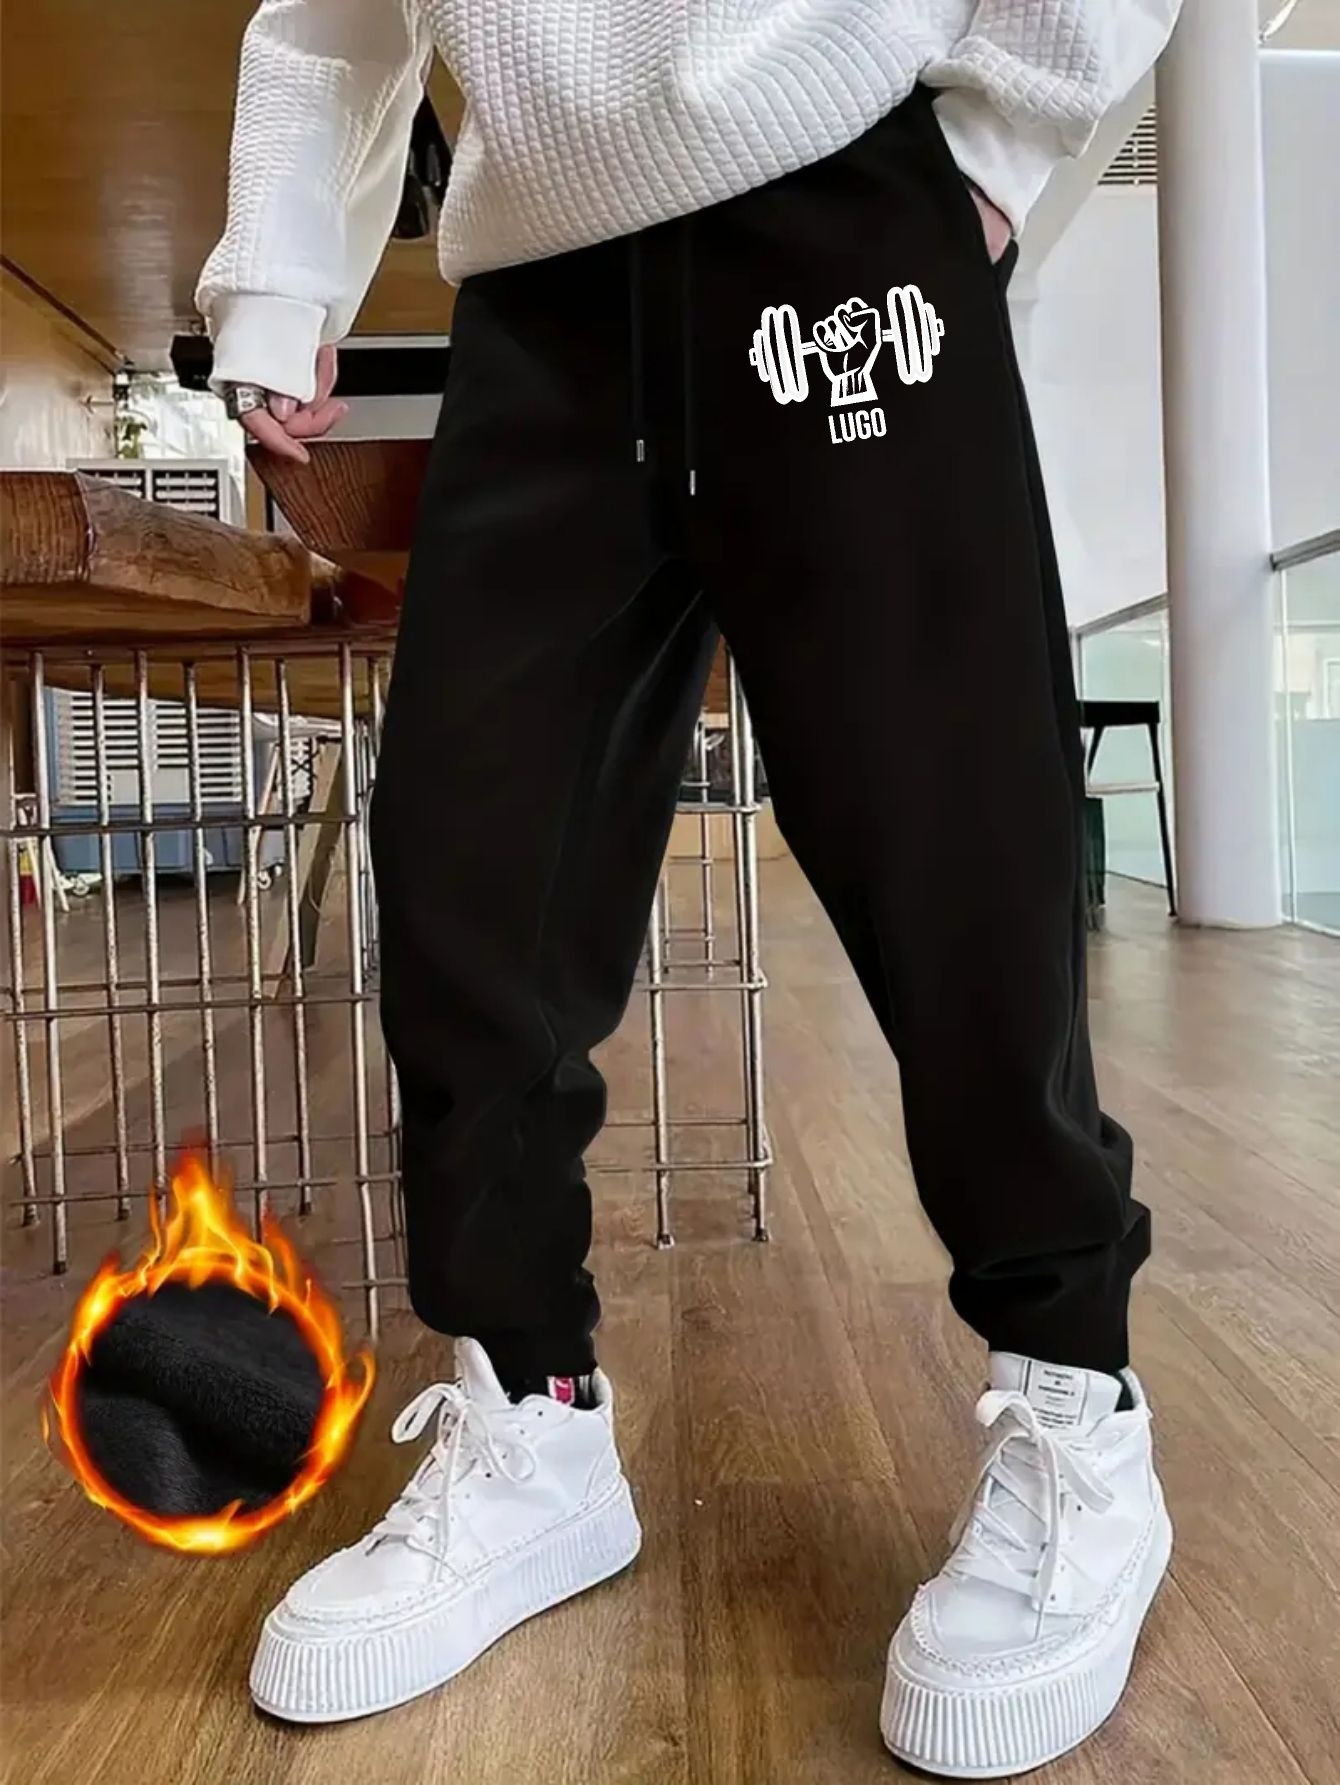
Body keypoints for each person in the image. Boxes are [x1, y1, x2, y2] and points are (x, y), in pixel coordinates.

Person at [199, 1, 1183, 1772]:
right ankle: (535, 1411)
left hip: (842, 201)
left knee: (957, 851)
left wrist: (1007, 134)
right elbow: (332, 13)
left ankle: (1074, 1396)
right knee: (469, 870)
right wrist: (279, 273)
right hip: (538, 292)